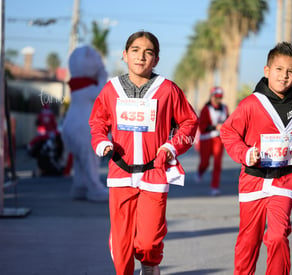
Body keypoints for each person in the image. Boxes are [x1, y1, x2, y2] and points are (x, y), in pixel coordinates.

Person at [89, 31, 198, 275]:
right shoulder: (111, 89)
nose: (141, 57)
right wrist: (101, 142)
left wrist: (172, 146)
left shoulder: (168, 89)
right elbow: (97, 122)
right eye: (135, 50)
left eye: (148, 52)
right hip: (120, 173)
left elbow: (189, 122)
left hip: (154, 174)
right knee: (122, 245)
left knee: (148, 241)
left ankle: (150, 265)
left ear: (156, 60)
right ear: (125, 55)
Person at [220, 42, 292, 275]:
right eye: (278, 69)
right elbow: (228, 132)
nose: (284, 76)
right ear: (266, 70)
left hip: (284, 180)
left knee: (277, 236)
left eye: (290, 71)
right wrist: (245, 153)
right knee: (248, 241)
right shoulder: (251, 104)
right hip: (252, 180)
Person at [61, 45, 109, 202]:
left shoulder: (77, 85)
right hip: (84, 128)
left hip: (71, 126)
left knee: (80, 160)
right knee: (89, 159)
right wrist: (103, 75)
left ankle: (79, 186)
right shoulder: (87, 87)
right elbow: (102, 94)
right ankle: (94, 187)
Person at [196, 86, 229, 196]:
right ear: (212, 96)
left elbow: (228, 121)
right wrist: (215, 127)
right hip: (206, 139)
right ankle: (200, 172)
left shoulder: (225, 108)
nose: (218, 99)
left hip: (219, 139)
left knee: (217, 164)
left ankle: (215, 187)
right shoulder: (206, 109)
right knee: (205, 162)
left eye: (220, 97)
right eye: (216, 97)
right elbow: (202, 126)